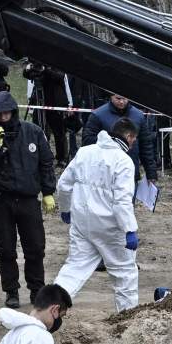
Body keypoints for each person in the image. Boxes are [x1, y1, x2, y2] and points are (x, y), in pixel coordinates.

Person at [0, 90, 57, 308]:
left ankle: (36, 289)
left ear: (13, 111)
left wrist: (48, 191)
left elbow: (46, 162)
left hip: (29, 199)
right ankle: (11, 291)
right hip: (0, 200)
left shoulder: (32, 132)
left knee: (35, 247)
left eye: (6, 113)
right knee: (6, 249)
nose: (3, 117)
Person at [52, 118, 140, 312]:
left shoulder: (84, 152)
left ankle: (49, 308)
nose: (133, 144)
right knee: (124, 274)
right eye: (133, 139)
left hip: (82, 223)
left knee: (74, 269)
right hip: (110, 228)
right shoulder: (123, 161)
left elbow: (63, 185)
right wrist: (129, 230)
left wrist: (65, 209)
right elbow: (122, 201)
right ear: (128, 136)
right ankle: (128, 319)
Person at [81, 93, 159, 185]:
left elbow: (146, 145)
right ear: (111, 96)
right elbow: (87, 141)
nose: (121, 102)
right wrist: (111, 140)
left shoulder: (138, 116)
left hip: (130, 173)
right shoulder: (98, 115)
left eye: (124, 98)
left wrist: (151, 173)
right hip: (105, 174)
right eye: (118, 98)